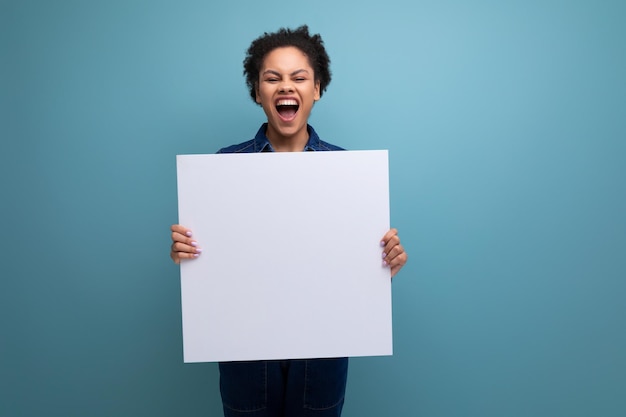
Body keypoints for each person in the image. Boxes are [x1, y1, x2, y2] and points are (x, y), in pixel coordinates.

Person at [170, 25, 407, 417]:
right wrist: (187, 255)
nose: (286, 86)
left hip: (322, 351)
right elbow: (211, 263)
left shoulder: (347, 172)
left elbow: (355, 263)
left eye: (299, 78)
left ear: (316, 88)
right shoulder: (221, 168)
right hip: (243, 349)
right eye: (272, 78)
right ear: (257, 91)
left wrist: (384, 260)